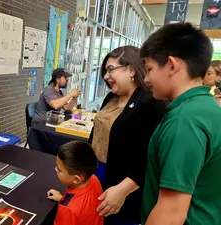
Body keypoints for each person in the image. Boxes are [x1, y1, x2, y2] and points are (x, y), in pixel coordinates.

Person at [140, 23, 221, 225]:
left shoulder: (185, 120)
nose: (147, 79)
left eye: (149, 69)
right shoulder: (208, 108)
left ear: (172, 65)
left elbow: (170, 214)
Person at [87, 46, 166, 225]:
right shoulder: (111, 98)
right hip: (96, 174)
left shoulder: (150, 103)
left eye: (110, 70)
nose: (106, 77)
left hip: (124, 186)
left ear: (131, 69)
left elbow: (151, 156)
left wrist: (123, 190)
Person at [47, 140, 103, 225]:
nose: (55, 169)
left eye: (59, 169)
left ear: (76, 179)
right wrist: (62, 199)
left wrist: (66, 205)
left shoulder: (67, 210)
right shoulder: (94, 179)